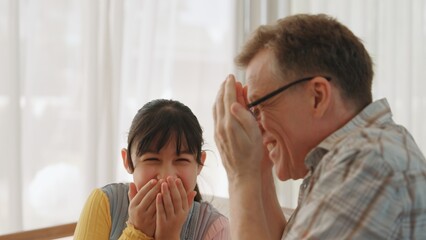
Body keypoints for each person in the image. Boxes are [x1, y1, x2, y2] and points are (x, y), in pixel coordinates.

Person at [213, 13, 426, 239]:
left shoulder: (369, 163)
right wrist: (257, 170)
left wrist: (241, 176)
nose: (255, 126)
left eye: (258, 107)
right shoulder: (350, 158)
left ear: (317, 96)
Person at [74, 99, 229, 240]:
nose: (166, 176)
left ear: (200, 164)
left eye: (181, 160)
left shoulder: (215, 227)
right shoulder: (104, 202)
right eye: (152, 159)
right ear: (127, 161)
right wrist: (137, 232)